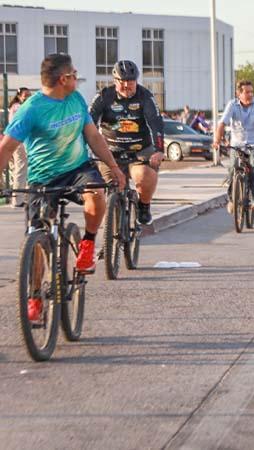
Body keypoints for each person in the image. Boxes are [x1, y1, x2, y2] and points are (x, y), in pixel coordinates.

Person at [0, 54, 126, 321]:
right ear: (63, 79)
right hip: (43, 178)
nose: (76, 77)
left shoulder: (76, 100)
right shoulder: (31, 109)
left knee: (96, 194)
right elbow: (7, 147)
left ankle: (88, 245)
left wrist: (113, 168)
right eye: (74, 73)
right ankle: (35, 294)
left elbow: (93, 136)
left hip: (77, 170)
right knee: (37, 242)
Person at [89, 60, 165, 225]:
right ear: (114, 81)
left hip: (139, 151)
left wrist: (159, 149)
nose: (126, 85)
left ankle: (144, 206)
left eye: (130, 81)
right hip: (110, 152)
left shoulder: (146, 97)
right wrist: (86, 148)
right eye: (121, 81)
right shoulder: (104, 96)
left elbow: (156, 123)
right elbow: (89, 122)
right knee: (108, 190)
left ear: (136, 80)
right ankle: (110, 240)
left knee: (144, 177)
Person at [215, 80, 254, 212]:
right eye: (247, 92)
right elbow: (222, 123)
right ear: (239, 93)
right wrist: (217, 140)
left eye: (252, 91)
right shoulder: (232, 105)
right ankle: (232, 199)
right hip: (236, 144)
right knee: (233, 169)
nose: (250, 94)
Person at [8, 87, 31, 207]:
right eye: (25, 95)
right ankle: (17, 199)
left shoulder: (16, 107)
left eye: (29, 95)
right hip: (20, 141)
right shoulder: (18, 107)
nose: (28, 97)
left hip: (21, 140)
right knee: (21, 168)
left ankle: (21, 197)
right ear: (19, 96)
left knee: (23, 168)